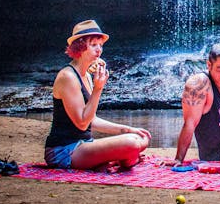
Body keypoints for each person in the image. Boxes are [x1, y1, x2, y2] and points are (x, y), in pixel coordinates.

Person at [44, 20, 151, 170]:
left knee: (141, 137)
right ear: (80, 46)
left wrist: (126, 129)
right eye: (93, 45)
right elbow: (82, 123)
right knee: (132, 143)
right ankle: (123, 160)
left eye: (100, 45)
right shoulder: (68, 77)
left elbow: (91, 120)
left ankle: (118, 160)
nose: (99, 50)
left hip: (85, 145)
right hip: (65, 150)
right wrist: (98, 89)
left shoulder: (86, 75)